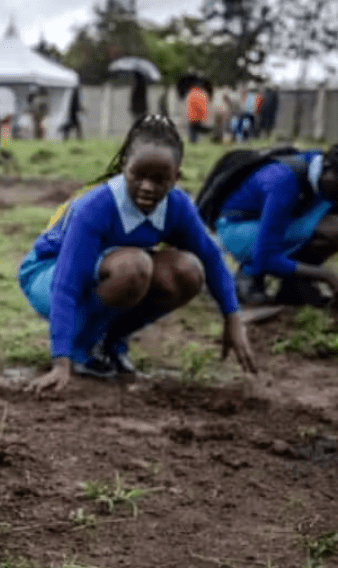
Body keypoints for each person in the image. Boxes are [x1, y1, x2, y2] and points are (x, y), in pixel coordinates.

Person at [17, 114, 257, 394]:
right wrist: (60, 359)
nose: (147, 187)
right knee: (134, 266)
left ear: (175, 178)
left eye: (159, 180)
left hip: (107, 273)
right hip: (48, 273)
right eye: (138, 176)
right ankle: (81, 346)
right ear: (123, 168)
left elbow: (212, 259)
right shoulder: (97, 207)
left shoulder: (177, 207)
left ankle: (110, 341)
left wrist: (232, 317)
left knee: (188, 271)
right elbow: (66, 283)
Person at [215, 144, 338, 307]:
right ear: (328, 169)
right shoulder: (284, 181)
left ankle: (294, 286)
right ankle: (249, 273)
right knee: (331, 229)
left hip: (273, 225)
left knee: (329, 224)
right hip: (237, 230)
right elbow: (266, 257)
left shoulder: (323, 175)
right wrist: (326, 276)